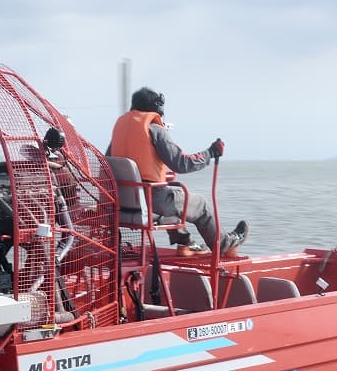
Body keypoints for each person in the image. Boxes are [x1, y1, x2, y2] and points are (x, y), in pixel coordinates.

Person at [107, 87, 249, 257]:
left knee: (174, 196)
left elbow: (107, 164)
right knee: (201, 205)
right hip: (152, 201)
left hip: (121, 204)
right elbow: (181, 164)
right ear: (156, 108)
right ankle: (225, 244)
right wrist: (210, 153)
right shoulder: (155, 130)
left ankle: (185, 243)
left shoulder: (118, 132)